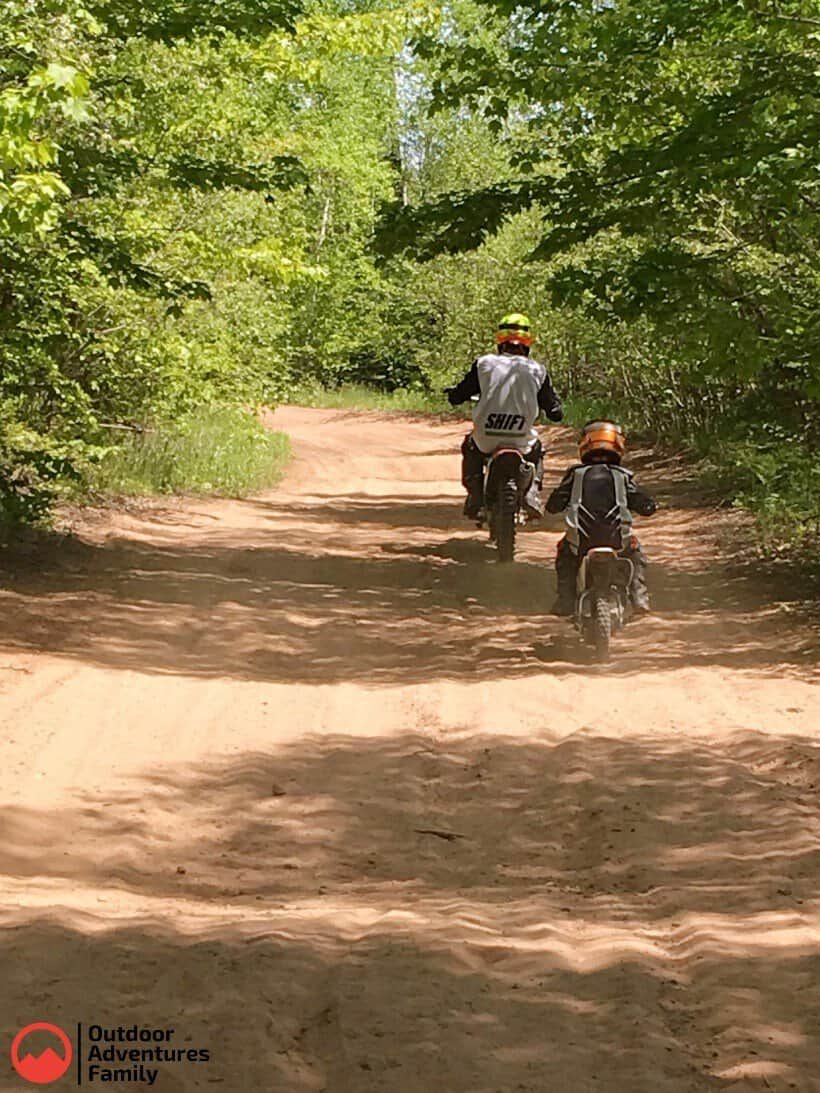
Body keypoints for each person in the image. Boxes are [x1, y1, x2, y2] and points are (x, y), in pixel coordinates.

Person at [445, 313, 563, 519]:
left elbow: (460, 394)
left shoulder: (484, 364)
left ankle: (475, 494)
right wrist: (555, 410)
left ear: (500, 342)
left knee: (470, 446)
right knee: (537, 449)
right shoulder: (537, 369)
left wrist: (454, 395)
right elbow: (554, 411)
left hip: (486, 440)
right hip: (521, 441)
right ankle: (533, 492)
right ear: (528, 344)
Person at [545, 420, 656, 616]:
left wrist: (555, 505)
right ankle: (639, 598)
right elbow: (644, 505)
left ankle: (565, 600)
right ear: (618, 446)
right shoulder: (622, 476)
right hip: (618, 541)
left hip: (579, 542)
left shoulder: (575, 474)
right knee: (635, 550)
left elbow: (554, 505)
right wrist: (647, 505)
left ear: (585, 445)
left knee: (564, 554)